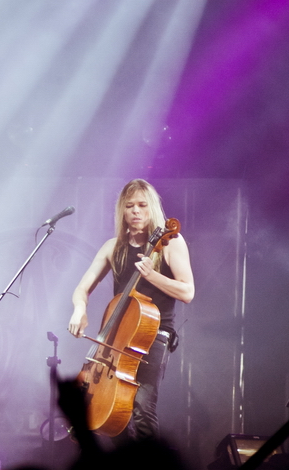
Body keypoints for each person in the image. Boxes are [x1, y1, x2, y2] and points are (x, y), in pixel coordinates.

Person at [67, 179, 194, 441]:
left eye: (142, 205)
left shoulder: (170, 243)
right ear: (122, 212)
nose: (135, 211)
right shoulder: (113, 246)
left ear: (152, 209)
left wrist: (153, 276)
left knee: (142, 408)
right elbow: (82, 289)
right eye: (129, 206)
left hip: (153, 336)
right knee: (111, 412)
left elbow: (187, 292)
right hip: (115, 337)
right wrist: (79, 309)